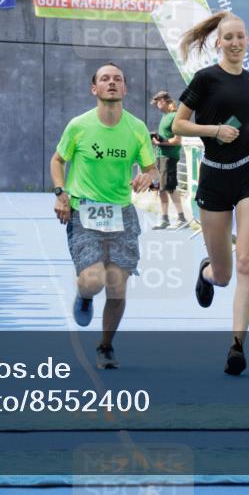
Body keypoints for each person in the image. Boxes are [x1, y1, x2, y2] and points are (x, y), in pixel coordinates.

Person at [171, 12, 249, 376]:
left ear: (248, 41)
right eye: (228, 37)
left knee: (246, 262)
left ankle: (237, 346)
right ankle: (207, 272)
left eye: (240, 37)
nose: (234, 43)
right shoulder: (205, 78)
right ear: (219, 43)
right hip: (214, 177)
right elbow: (177, 124)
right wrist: (214, 131)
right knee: (225, 274)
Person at [51, 63, 156, 369]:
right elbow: (58, 160)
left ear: (124, 88)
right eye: (105, 79)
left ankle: (105, 346)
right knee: (93, 281)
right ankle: (84, 295)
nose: (112, 82)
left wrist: (147, 176)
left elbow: (151, 168)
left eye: (117, 79)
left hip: (122, 213)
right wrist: (60, 192)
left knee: (117, 286)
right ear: (94, 88)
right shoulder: (79, 126)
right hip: (84, 210)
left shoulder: (136, 128)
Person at [150, 90, 186, 229]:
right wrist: (157, 140)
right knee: (160, 188)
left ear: (164, 101)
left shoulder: (175, 116)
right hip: (160, 156)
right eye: (156, 103)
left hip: (169, 157)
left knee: (170, 187)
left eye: (158, 102)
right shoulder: (164, 116)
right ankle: (164, 219)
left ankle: (182, 218)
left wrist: (161, 142)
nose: (157, 105)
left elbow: (177, 140)